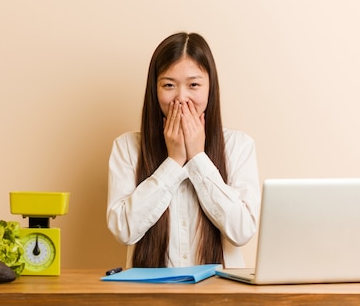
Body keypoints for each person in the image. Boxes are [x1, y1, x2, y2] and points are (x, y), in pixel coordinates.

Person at [106, 32, 260, 268]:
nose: (181, 98)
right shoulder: (126, 147)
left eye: (194, 85)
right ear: (154, 90)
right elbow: (124, 231)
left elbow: (242, 231)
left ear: (210, 88)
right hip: (150, 297)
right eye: (168, 85)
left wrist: (198, 158)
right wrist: (174, 162)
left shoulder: (239, 145)